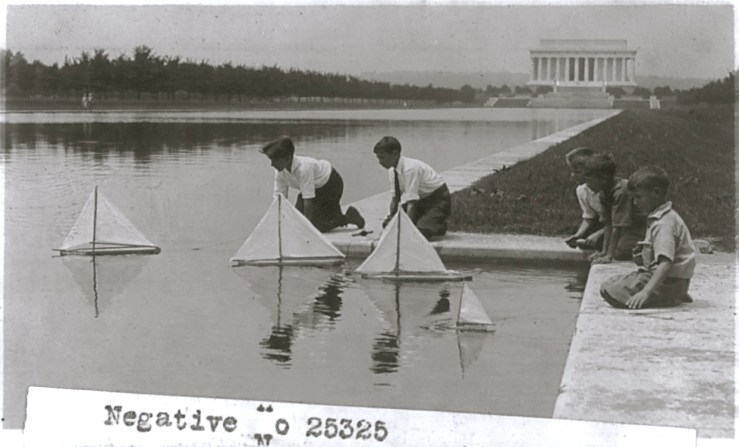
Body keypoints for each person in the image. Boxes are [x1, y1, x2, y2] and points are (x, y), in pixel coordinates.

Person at [600, 166, 696, 309]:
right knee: (608, 284)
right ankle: (673, 294)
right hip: (674, 281)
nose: (635, 203)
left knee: (611, 292)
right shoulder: (660, 217)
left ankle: (665, 297)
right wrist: (642, 257)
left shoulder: (664, 224)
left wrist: (645, 292)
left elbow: (665, 263)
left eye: (638, 197)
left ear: (656, 193)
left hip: (668, 281)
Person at [261, 136, 364, 233]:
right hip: (314, 188)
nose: (272, 164)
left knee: (314, 226)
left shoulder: (304, 168)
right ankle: (334, 214)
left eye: (275, 160)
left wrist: (307, 230)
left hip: (331, 184)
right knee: (297, 221)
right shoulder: (280, 171)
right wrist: (275, 223)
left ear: (287, 158)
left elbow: (308, 201)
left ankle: (348, 218)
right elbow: (279, 199)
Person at [373, 136, 450, 240]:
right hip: (421, 201)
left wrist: (406, 227)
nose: (380, 162)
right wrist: (392, 218)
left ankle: (438, 225)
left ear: (395, 154)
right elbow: (395, 198)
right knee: (388, 225)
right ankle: (429, 221)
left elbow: (412, 203)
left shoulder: (410, 169)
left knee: (419, 233)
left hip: (437, 199)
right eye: (378, 158)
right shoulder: (392, 171)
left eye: (382, 158)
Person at [583, 153, 645, 264]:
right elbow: (608, 224)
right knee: (607, 245)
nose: (587, 185)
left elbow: (617, 226)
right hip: (628, 231)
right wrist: (604, 252)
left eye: (590, 180)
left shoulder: (620, 192)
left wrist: (609, 256)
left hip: (641, 231)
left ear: (604, 179)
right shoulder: (604, 193)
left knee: (619, 251)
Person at [563, 146, 605, 252]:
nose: (572, 176)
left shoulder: (606, 189)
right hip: (605, 223)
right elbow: (589, 216)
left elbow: (618, 221)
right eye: (572, 171)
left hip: (621, 225)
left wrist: (598, 234)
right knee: (584, 242)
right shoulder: (582, 190)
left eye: (577, 172)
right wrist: (578, 235)